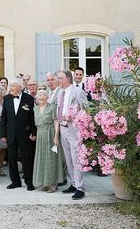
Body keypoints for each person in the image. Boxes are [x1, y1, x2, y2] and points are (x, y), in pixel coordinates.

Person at [56, 69, 89, 199]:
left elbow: (86, 110)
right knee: (68, 159)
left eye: (60, 78)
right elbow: (59, 109)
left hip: (74, 130)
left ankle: (80, 188)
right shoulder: (60, 93)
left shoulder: (78, 91)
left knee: (76, 159)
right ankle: (74, 183)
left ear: (68, 79)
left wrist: (74, 117)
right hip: (63, 129)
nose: (58, 80)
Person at [0, 78, 36, 190]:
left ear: (20, 87)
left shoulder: (29, 99)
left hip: (25, 134)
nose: (10, 88)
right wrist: (3, 134)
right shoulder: (6, 99)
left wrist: (33, 132)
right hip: (10, 134)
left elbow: (33, 118)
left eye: (13, 86)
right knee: (11, 158)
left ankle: (29, 182)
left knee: (26, 159)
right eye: (10, 86)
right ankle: (15, 181)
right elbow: (4, 118)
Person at [33, 89, 64, 192]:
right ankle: (45, 183)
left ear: (47, 97)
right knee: (42, 158)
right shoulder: (35, 109)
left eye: (43, 95)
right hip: (40, 135)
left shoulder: (52, 107)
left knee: (51, 159)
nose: (41, 96)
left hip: (50, 134)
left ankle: (52, 183)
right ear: (36, 98)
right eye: (39, 95)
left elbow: (56, 122)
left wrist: (56, 136)